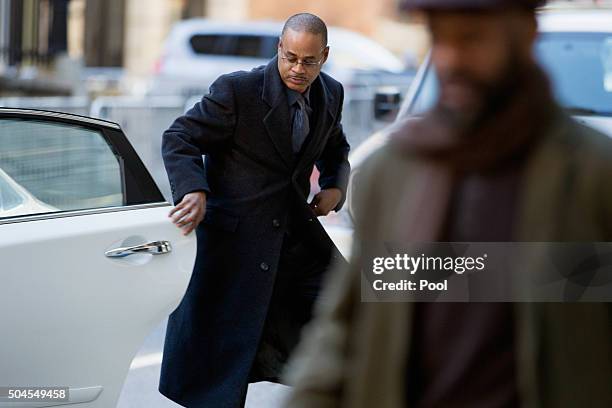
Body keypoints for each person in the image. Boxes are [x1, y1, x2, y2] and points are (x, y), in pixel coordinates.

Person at [283, 1, 612, 407]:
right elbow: (348, 328)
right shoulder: (396, 171)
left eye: (472, 38)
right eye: (440, 38)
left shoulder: (592, 176)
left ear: (525, 33)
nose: (452, 58)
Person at [159, 13, 350, 408]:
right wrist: (194, 189)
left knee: (352, 313)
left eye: (309, 61)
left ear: (325, 56)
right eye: (290, 57)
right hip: (236, 246)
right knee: (220, 368)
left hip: (295, 241)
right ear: (279, 49)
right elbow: (179, 137)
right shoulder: (238, 91)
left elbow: (336, 148)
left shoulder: (331, 93)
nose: (297, 69)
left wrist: (334, 185)